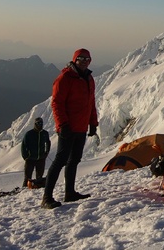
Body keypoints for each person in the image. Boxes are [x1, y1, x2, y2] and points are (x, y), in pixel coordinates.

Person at [41, 48, 99, 209]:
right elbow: (56, 103)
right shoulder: (65, 78)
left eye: (87, 59)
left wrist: (93, 123)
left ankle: (69, 193)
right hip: (68, 127)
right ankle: (47, 197)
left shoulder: (88, 78)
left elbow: (90, 103)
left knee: (74, 160)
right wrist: (62, 125)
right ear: (74, 60)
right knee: (60, 160)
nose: (84, 62)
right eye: (81, 59)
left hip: (81, 127)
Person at [22, 117, 51, 188]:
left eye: (41, 123)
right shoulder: (29, 134)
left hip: (41, 158)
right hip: (30, 159)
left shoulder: (45, 133)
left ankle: (36, 189)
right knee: (27, 177)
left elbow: (48, 142)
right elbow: (23, 145)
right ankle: (24, 189)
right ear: (35, 124)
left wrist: (46, 152)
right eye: (38, 123)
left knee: (39, 177)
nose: (40, 125)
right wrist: (25, 156)